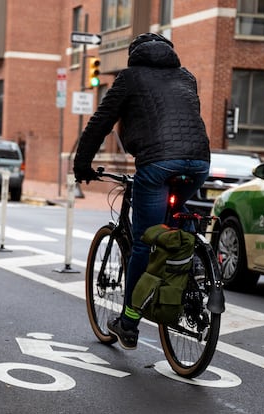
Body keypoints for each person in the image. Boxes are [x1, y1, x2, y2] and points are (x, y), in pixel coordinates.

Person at [73, 32, 210, 350]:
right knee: (172, 225)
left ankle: (129, 323)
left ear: (134, 55)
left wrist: (83, 166)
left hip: (157, 164)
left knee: (144, 243)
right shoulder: (186, 77)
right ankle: (194, 269)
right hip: (199, 163)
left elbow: (100, 123)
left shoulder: (129, 77)